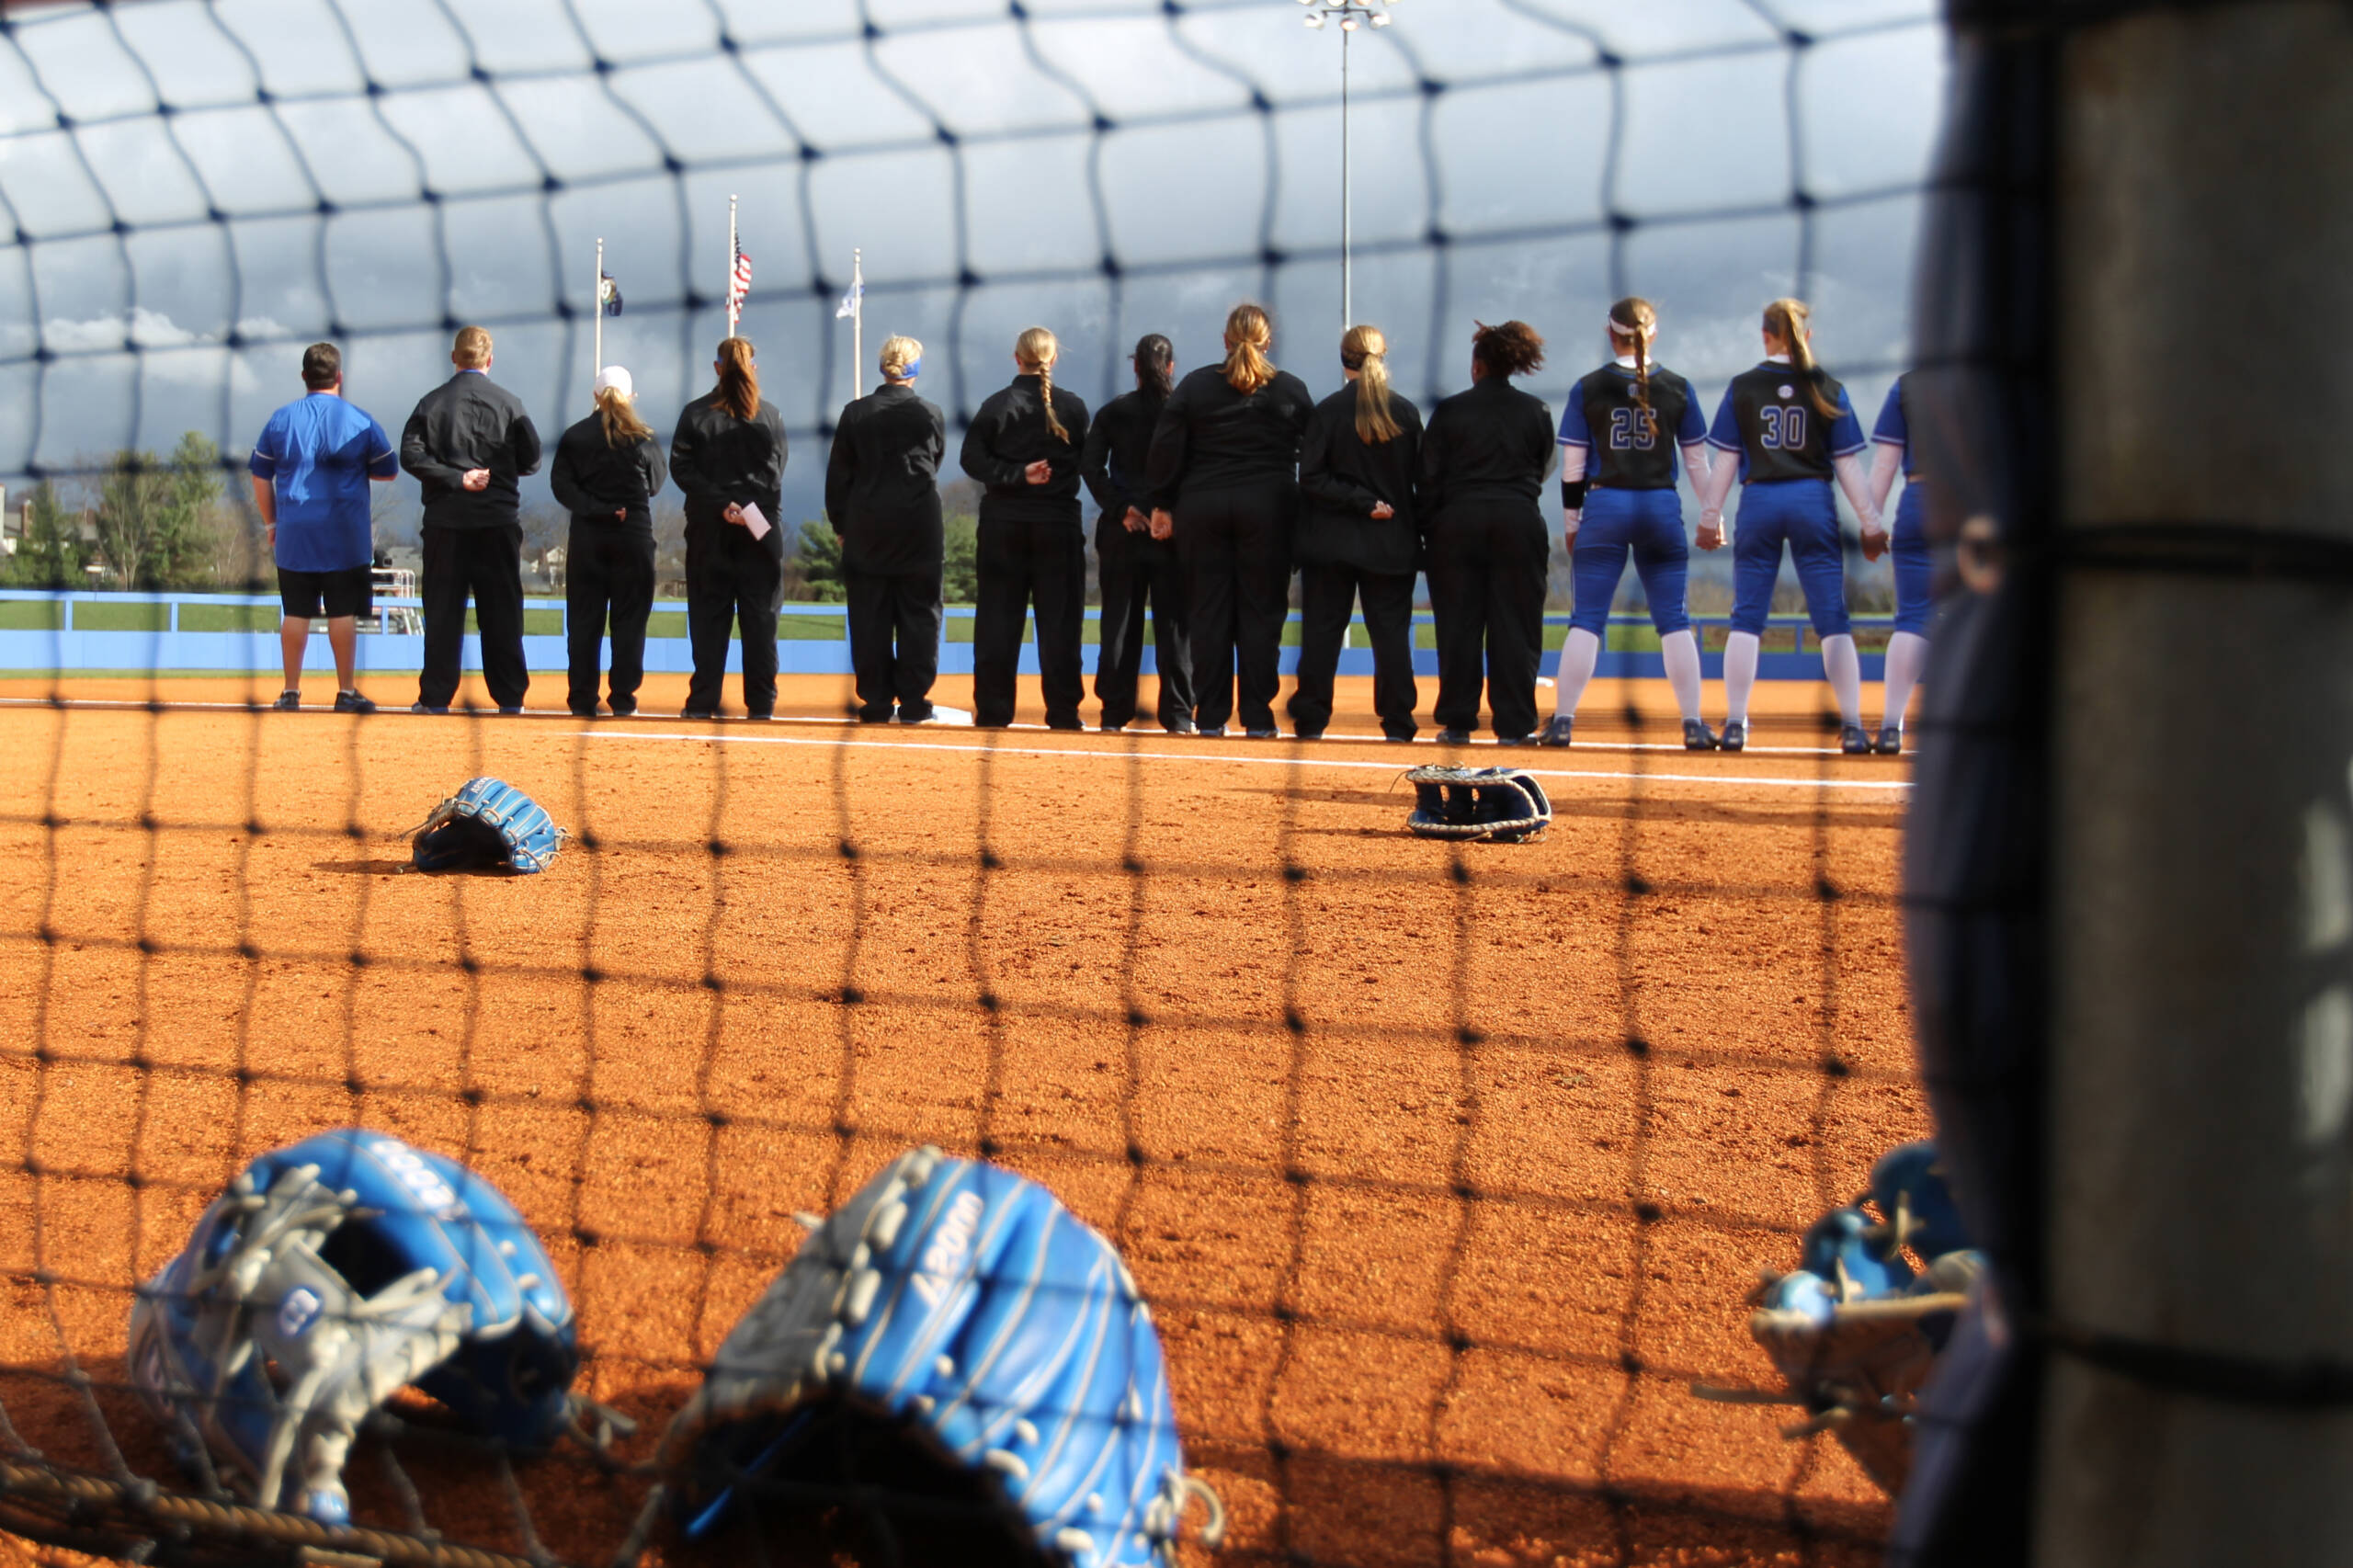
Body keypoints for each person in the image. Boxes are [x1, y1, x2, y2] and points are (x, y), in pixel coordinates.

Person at [1693, 298, 1887, 754]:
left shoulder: (1743, 386)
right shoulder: (1826, 386)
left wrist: (1708, 518)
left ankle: (1737, 724)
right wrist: (1872, 524)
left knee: (1747, 618)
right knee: (1832, 617)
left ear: (1765, 334)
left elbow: (1725, 463)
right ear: (1807, 334)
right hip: (1811, 499)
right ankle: (1855, 728)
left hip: (1760, 499)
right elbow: (1849, 468)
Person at [1541, 298, 1718, 751]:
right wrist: (1713, 516)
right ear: (1652, 333)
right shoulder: (1678, 387)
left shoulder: (1588, 387)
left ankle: (1562, 722)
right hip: (1660, 506)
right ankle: (1694, 724)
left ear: (1610, 332)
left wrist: (1572, 521)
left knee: (1587, 620)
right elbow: (1697, 463)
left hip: (1606, 506)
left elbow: (1573, 468)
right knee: (1674, 620)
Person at [1144, 303, 1314, 738]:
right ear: (1268, 341)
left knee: (1208, 614)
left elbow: (1166, 447)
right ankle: (1258, 717)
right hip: (1270, 509)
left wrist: (1162, 502)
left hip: (1203, 507)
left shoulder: (1196, 386)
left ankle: (1212, 716)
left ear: (1225, 340)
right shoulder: (1290, 390)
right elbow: (1314, 455)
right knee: (1262, 615)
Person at [1420, 320, 1556, 745]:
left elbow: (1428, 477)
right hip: (1518, 520)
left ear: (1477, 365)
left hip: (1458, 523)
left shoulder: (1449, 410)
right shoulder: (1537, 411)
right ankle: (1514, 724)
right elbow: (1543, 467)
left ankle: (1458, 720)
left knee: (1458, 625)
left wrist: (1430, 528)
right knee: (1516, 625)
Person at [248, 342, 399, 713]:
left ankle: (290, 692)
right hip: (345, 534)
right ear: (340, 377)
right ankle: (346, 691)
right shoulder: (359, 419)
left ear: (304, 377)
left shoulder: (281, 419)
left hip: (295, 530)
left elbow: (259, 474)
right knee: (341, 613)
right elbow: (389, 469)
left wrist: (271, 522)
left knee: (296, 612)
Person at [1290, 324, 1422, 742]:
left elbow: (1310, 478)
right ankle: (1399, 722)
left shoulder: (1327, 411)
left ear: (1343, 359)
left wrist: (1355, 500)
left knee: (1321, 633)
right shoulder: (1405, 413)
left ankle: (1311, 719)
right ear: (1382, 357)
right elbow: (1422, 481)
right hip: (1391, 544)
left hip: (1331, 544)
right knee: (1391, 635)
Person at [400, 325, 541, 714]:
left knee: (443, 612)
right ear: (489, 360)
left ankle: (435, 696)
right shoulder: (511, 404)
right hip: (497, 523)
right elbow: (532, 459)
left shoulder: (431, 404)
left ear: (454, 358)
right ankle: (510, 697)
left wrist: (454, 478)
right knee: (502, 612)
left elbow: (410, 456)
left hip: (447, 523)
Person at [960, 326, 1091, 731]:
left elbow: (971, 460)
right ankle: (1064, 712)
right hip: (1058, 525)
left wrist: (1015, 474)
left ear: (1017, 358)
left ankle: (995, 712)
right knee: (1061, 623)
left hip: (1004, 526)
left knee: (998, 622)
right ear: (1053, 359)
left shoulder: (997, 405)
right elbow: (1085, 463)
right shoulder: (1073, 408)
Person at [828, 335, 948, 723]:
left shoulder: (855, 413)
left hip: (868, 526)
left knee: (869, 615)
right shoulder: (930, 413)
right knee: (921, 614)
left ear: (882, 367)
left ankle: (877, 701)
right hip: (919, 526)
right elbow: (936, 461)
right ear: (915, 369)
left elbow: (838, 478)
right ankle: (914, 700)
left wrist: (841, 525)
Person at [672, 337, 790, 721]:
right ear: (752, 367)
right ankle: (761, 702)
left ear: (716, 367)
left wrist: (722, 503)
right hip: (759, 527)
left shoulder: (695, 415)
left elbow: (681, 469)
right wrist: (748, 506)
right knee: (761, 617)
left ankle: (703, 700)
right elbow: (776, 471)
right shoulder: (769, 415)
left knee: (709, 618)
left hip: (710, 528)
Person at [1082, 335, 1194, 733]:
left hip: (1122, 532)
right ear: (1170, 366)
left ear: (1135, 368)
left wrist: (1120, 509)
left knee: (1118, 622)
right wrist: (1171, 513)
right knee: (1175, 625)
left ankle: (1113, 713)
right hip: (1172, 533)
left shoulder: (1114, 412)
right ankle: (1179, 714)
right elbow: (1194, 468)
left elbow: (1091, 468)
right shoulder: (1184, 412)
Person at [550, 365, 666, 718]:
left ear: (595, 396)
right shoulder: (644, 437)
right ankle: (623, 698)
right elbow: (655, 483)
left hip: (588, 537)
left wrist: (597, 508)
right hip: (633, 536)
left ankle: (583, 698)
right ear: (631, 397)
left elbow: (562, 487)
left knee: (585, 621)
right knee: (630, 621)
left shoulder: (575, 436)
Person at [1868, 373, 1930, 755]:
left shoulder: (1908, 385)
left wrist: (1871, 523)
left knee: (1912, 618)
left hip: (1920, 500)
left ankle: (1891, 726)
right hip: (1975, 502)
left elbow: (1884, 465)